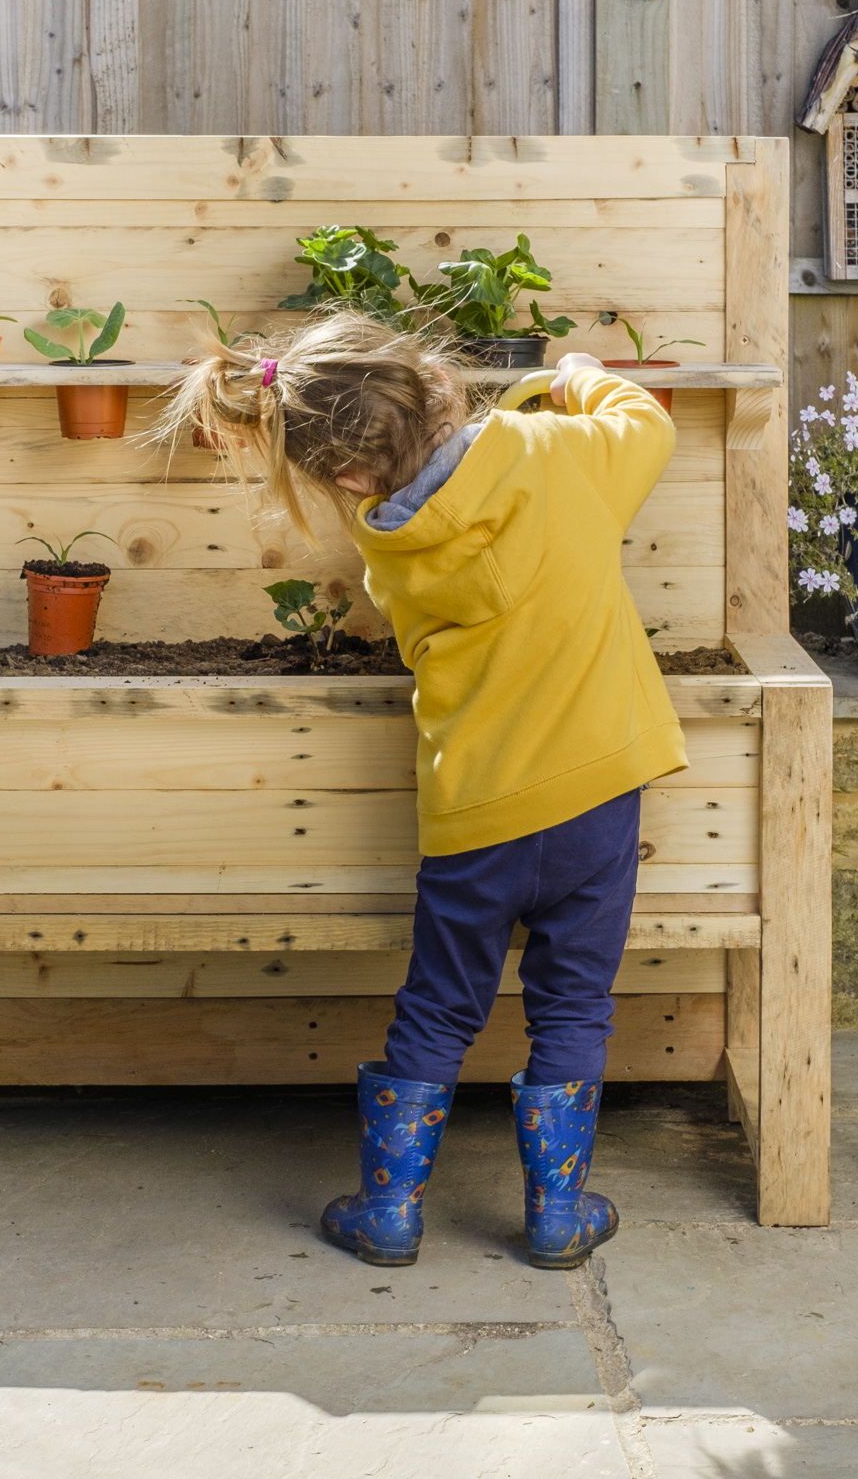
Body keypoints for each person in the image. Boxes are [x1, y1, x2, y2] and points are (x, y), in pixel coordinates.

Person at [160, 311, 687, 1269]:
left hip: (475, 810)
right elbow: (647, 424)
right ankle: (559, 1218)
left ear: (349, 475)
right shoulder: (558, 452)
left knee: (441, 1005)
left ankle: (391, 1211)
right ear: (433, 383)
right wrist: (575, 374)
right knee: (573, 1003)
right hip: (596, 792)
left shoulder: (389, 543)